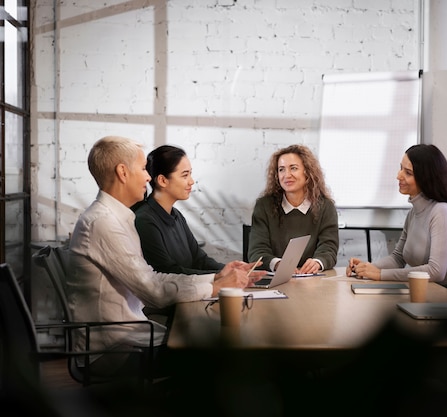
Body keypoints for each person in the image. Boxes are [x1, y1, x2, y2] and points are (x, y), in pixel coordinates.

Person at [66, 136, 263, 377]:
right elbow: (155, 292)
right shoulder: (104, 223)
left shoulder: (118, 218)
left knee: (216, 344)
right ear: (123, 172)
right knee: (220, 354)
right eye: (141, 169)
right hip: (116, 350)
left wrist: (217, 280)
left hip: (131, 337)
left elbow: (154, 279)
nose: (148, 177)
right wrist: (216, 286)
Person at [346, 144, 447, 298]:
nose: (399, 176)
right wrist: (367, 267)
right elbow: (398, 258)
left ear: (426, 178)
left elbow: (436, 271)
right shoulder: (414, 213)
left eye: (408, 173)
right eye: (400, 168)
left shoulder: (443, 212)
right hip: (434, 291)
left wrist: (380, 274)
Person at [133, 144, 227, 275]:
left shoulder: (176, 215)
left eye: (190, 174)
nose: (191, 181)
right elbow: (168, 271)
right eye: (185, 175)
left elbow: (199, 259)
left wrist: (229, 269)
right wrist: (219, 276)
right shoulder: (145, 220)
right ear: (162, 180)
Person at [248, 144, 339, 274]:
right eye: (281, 170)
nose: (287, 175)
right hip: (274, 280)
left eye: (293, 168)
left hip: (313, 280)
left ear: (307, 172)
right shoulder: (264, 206)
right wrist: (278, 264)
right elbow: (257, 251)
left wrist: (318, 262)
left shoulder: (325, 207)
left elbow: (329, 248)